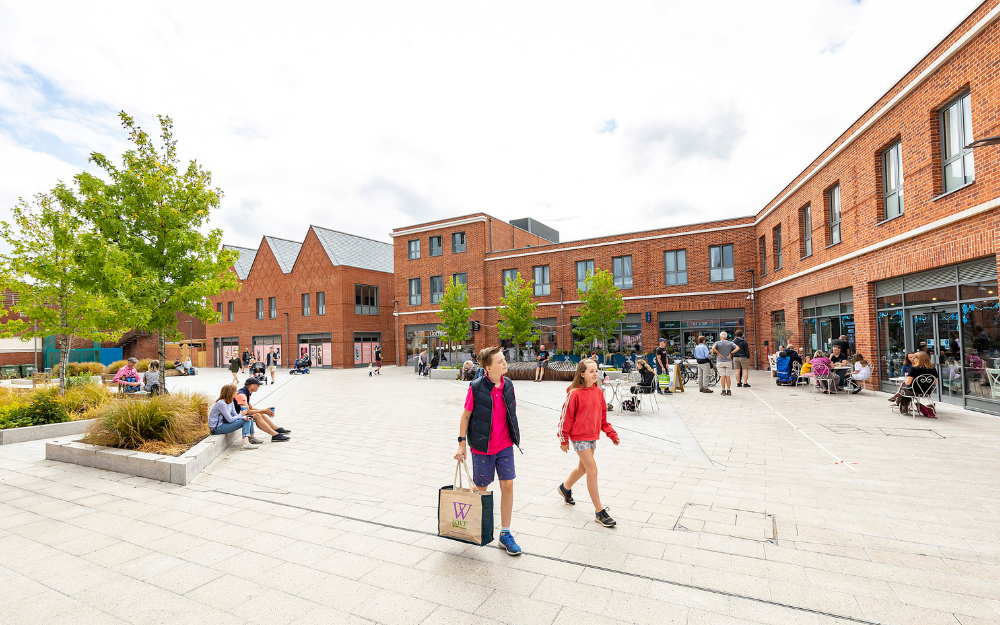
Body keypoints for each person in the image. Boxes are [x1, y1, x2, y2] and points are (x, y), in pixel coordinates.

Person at [454, 346, 522, 555]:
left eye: (504, 359)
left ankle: (505, 533)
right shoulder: (475, 388)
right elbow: (466, 416)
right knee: (481, 488)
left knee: (507, 484)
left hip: (504, 446)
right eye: (500, 361)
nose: (505, 363)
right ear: (488, 368)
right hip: (483, 448)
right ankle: (475, 527)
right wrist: (461, 443)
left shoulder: (508, 385)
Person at [556, 359, 620, 528]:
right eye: (591, 371)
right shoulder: (574, 393)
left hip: (592, 436)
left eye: (596, 370)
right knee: (592, 469)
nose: (595, 373)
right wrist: (563, 438)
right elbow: (565, 417)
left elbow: (603, 417)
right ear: (582, 374)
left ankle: (565, 488)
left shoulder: (599, 392)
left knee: (583, 468)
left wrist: (611, 434)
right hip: (578, 437)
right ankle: (599, 511)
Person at [235, 378, 291, 442]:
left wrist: (265, 411)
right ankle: (275, 435)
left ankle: (276, 429)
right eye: (257, 385)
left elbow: (251, 408)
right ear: (252, 386)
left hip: (239, 415)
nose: (259, 386)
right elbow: (248, 412)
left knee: (260, 413)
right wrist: (264, 411)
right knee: (257, 416)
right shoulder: (242, 395)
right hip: (235, 417)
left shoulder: (246, 393)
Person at [209, 384, 260, 450]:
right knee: (246, 420)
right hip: (216, 428)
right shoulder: (221, 403)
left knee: (249, 418)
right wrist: (241, 415)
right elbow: (230, 419)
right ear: (230, 392)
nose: (237, 392)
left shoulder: (231, 402)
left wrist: (243, 416)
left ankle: (251, 438)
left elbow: (235, 415)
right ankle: (245, 444)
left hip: (224, 424)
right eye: (235, 391)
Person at [711, 331, 737, 396]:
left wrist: (718, 353)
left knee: (722, 375)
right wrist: (731, 353)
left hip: (720, 361)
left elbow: (713, 348)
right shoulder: (730, 343)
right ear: (726, 337)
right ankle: (729, 390)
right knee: (728, 376)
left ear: (720, 337)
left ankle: (723, 390)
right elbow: (737, 348)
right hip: (728, 361)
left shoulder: (717, 343)